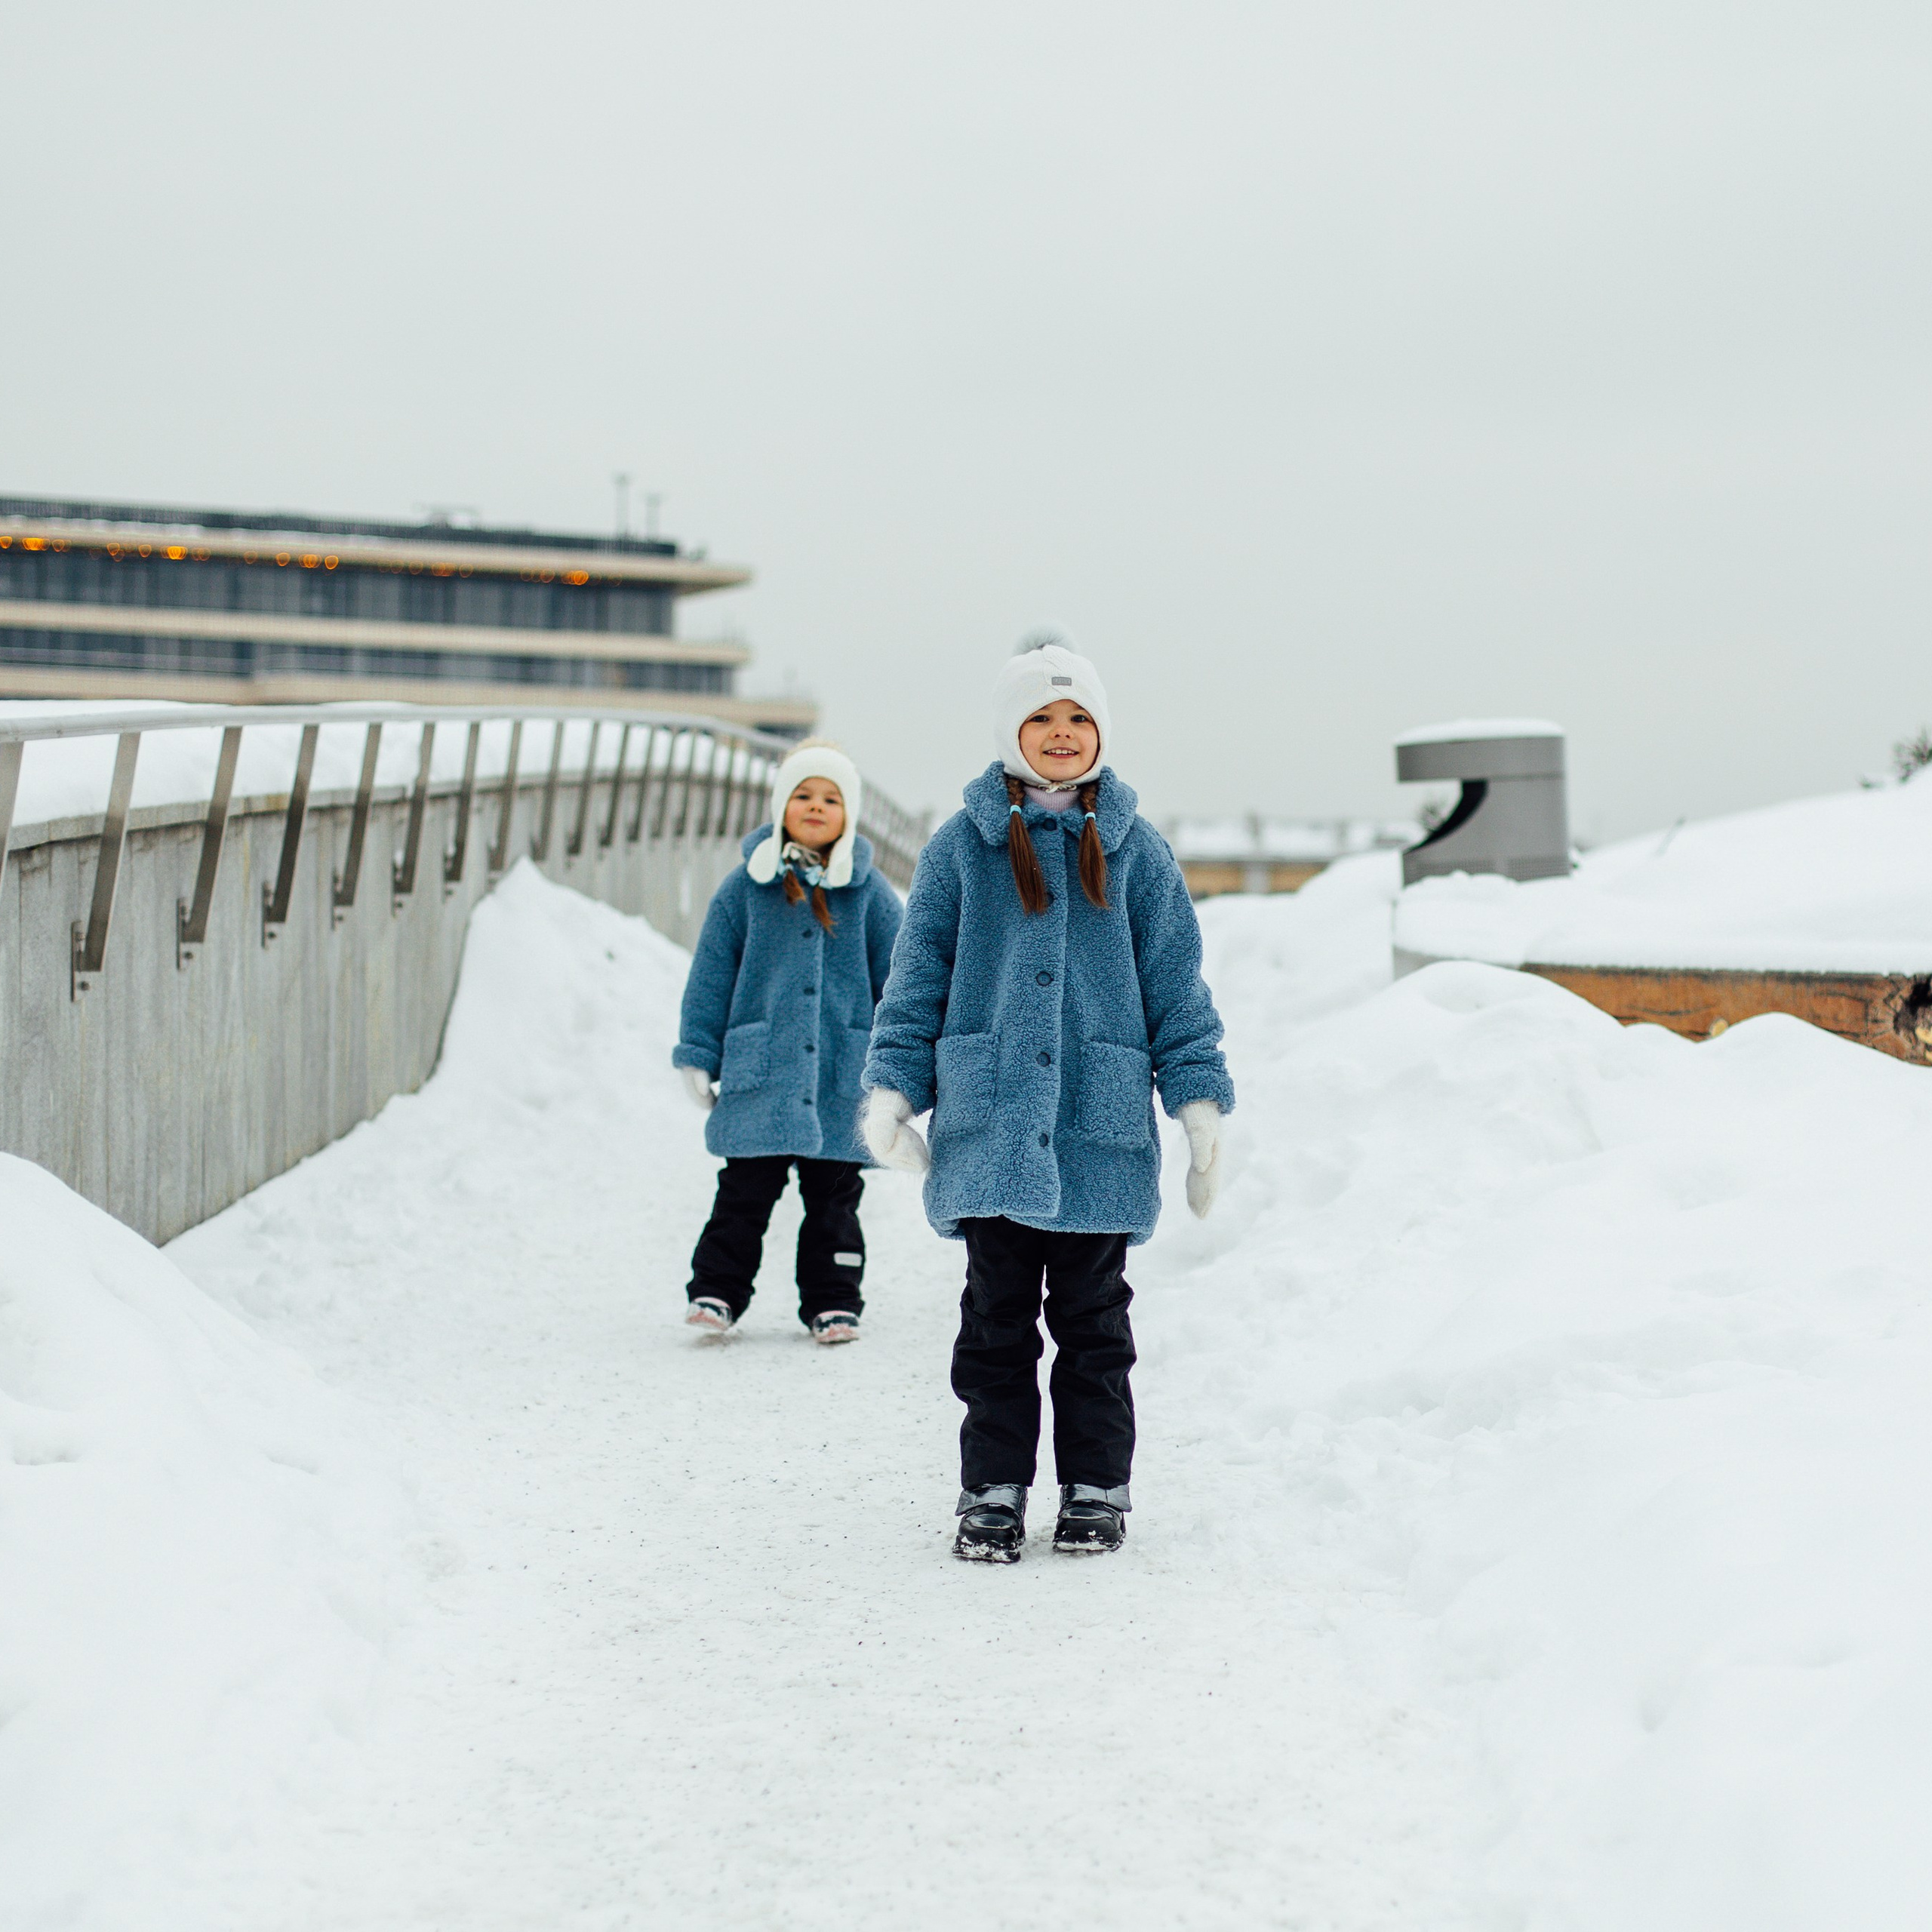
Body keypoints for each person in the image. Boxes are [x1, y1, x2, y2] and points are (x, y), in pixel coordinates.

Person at [861, 638, 1233, 1558]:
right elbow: (917, 981)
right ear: (1009, 734)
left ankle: (1095, 1487)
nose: (1061, 735)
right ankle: (991, 1488)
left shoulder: (1137, 852)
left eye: (1078, 719)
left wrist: (1197, 1103)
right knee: (993, 1327)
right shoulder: (961, 849)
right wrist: (894, 1089)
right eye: (1042, 719)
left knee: (1094, 1328)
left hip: (1096, 1136)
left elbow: (1177, 988)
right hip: (990, 1132)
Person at [673, 743, 902, 1343]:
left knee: (835, 1202)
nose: (816, 806)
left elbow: (901, 982)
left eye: (831, 798)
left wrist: (902, 1069)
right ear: (781, 807)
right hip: (762, 1075)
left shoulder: (871, 894)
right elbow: (711, 974)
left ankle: (833, 1301)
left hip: (841, 1074)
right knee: (743, 1193)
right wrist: (698, 1053)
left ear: (849, 814)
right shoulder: (744, 890)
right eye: (803, 795)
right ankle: (716, 1292)